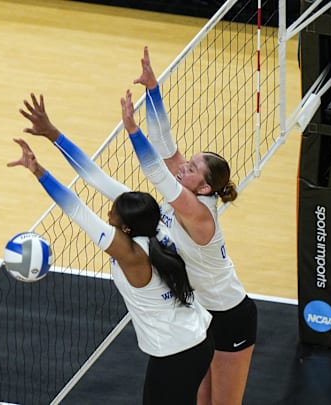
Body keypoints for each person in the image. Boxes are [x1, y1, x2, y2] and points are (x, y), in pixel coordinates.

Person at [8, 134, 213, 405]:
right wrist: (52, 134)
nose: (109, 211)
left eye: (113, 211)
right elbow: (94, 175)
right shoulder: (155, 225)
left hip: (177, 353)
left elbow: (76, 209)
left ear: (125, 228)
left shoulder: (131, 255)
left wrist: (38, 172)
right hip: (191, 341)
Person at [121, 46, 258, 405]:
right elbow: (167, 147)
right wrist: (153, 91)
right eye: (190, 161)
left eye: (193, 168)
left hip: (230, 316)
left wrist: (133, 132)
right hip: (200, 317)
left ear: (206, 187)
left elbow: (157, 172)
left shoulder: (198, 213)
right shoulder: (189, 188)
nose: (184, 166)